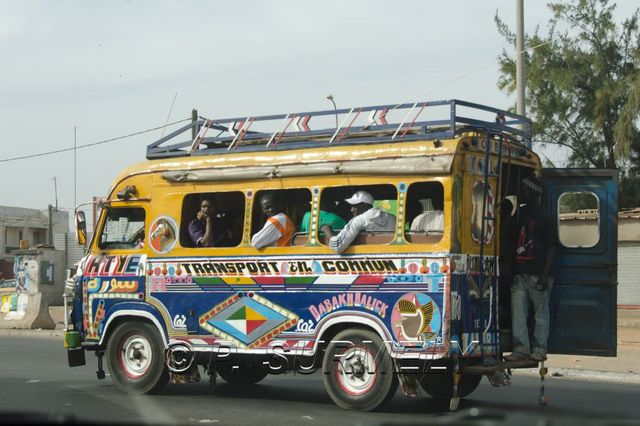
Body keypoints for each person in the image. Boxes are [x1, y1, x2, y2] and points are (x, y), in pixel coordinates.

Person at [505, 175, 556, 362]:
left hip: (538, 274)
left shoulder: (546, 216)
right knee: (518, 312)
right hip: (520, 273)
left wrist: (544, 274)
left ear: (532, 192)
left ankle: (540, 349)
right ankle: (521, 349)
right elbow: (510, 237)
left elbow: (552, 246)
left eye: (524, 191)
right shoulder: (521, 214)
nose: (521, 194)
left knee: (540, 315)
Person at [328, 190, 396, 254]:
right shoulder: (392, 217)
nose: (352, 209)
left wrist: (328, 233)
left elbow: (338, 246)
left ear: (365, 206)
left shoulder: (358, 220)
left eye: (355, 206)